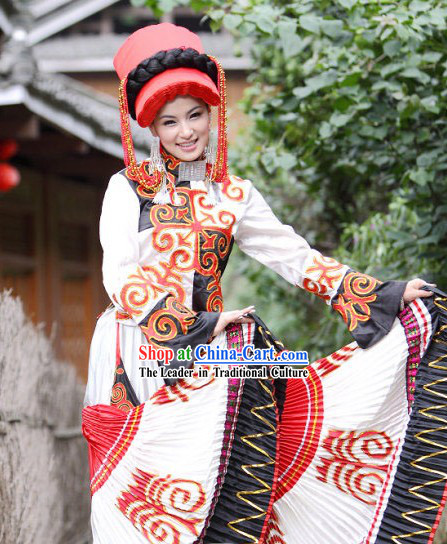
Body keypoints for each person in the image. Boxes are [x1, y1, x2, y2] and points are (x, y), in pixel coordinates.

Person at [82, 23, 447, 544]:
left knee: (221, 478)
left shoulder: (235, 195)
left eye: (195, 115)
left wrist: (381, 293)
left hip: (213, 352)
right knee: (142, 495)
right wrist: (192, 323)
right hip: (137, 346)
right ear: (151, 129)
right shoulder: (127, 188)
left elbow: (294, 257)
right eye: (169, 121)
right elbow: (119, 275)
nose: (185, 131)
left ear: (213, 115)